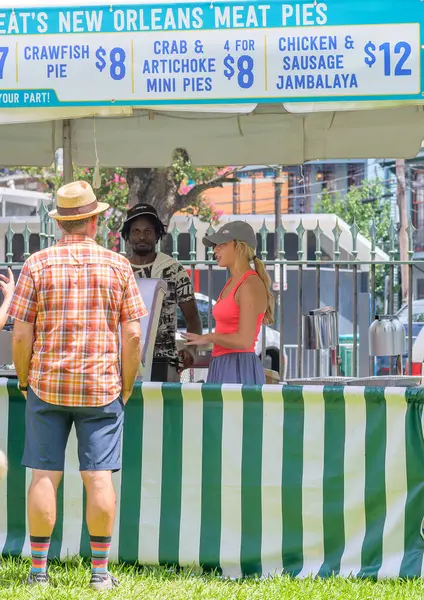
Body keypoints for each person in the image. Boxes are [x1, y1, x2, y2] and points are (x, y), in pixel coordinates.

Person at [9, 181, 146, 591]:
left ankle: (38, 572)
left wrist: (23, 378)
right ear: (94, 220)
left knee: (44, 477)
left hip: (47, 385)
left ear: (61, 222)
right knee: (99, 478)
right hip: (102, 387)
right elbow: (134, 336)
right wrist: (125, 386)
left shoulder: (36, 264)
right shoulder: (118, 266)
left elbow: (20, 334)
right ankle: (100, 573)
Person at [182, 221, 274, 384]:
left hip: (238, 367)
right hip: (222, 363)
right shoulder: (234, 282)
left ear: (240, 246)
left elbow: (244, 342)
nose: (215, 249)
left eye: (222, 244)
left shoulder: (249, 284)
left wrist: (209, 337)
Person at [122, 203, 202, 382]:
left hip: (163, 361)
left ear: (158, 234)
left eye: (148, 231)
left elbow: (193, 319)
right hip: (123, 359)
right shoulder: (119, 270)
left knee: (163, 409)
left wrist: (190, 350)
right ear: (127, 236)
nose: (142, 236)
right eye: (135, 231)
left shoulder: (173, 270)